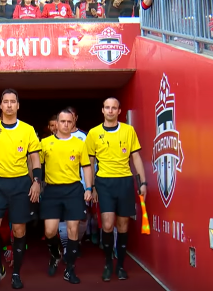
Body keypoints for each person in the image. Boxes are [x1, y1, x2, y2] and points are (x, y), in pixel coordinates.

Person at [0, 88, 41, 289]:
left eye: (13, 101)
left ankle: (16, 273)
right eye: (6, 101)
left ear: (18, 105)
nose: (10, 105)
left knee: (20, 231)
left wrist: (36, 181)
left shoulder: (27, 130)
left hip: (21, 184)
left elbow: (35, 158)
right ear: (1, 105)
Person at [85, 97, 147, 282]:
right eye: (107, 108)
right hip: (104, 183)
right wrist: (92, 186)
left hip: (125, 182)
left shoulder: (128, 131)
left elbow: (135, 157)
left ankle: (120, 266)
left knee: (123, 225)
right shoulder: (94, 133)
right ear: (102, 110)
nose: (110, 111)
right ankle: (107, 264)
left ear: (119, 111)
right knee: (107, 224)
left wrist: (143, 182)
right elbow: (90, 162)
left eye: (114, 108)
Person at [40, 109, 93, 284]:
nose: (66, 125)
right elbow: (36, 165)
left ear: (73, 122)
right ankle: (55, 255)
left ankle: (69, 269)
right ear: (56, 123)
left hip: (73, 190)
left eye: (69, 122)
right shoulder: (45, 143)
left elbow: (86, 166)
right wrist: (36, 183)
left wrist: (88, 188)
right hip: (52, 190)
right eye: (62, 121)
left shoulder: (79, 144)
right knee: (49, 231)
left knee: (73, 230)